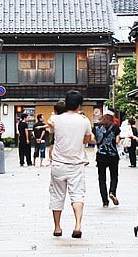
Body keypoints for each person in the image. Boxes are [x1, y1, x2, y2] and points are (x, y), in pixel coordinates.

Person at [47, 91, 94, 238]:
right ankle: (78, 225)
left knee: (57, 194)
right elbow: (87, 141)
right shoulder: (84, 121)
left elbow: (50, 128)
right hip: (76, 163)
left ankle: (57, 228)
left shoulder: (56, 119)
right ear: (80, 105)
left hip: (58, 163)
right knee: (77, 195)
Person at [93, 113, 121, 207]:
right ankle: (112, 192)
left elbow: (94, 140)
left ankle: (105, 202)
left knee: (102, 179)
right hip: (113, 155)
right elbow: (117, 141)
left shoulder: (96, 127)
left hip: (101, 156)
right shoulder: (115, 127)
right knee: (114, 176)